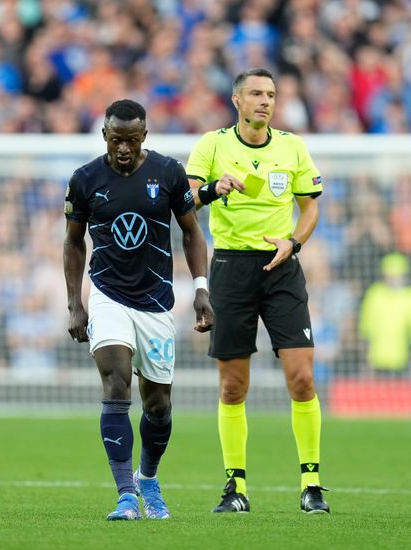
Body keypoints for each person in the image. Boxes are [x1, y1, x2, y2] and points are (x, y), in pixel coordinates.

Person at [186, 68, 330, 514]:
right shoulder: (213, 144)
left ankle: (311, 484)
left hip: (282, 267)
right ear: (236, 100)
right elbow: (186, 200)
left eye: (270, 94)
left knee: (302, 378)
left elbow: (310, 207)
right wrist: (213, 188)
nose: (264, 101)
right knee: (233, 386)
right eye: (255, 94)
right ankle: (236, 488)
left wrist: (295, 242)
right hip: (230, 268)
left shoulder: (292, 146)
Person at [63, 99, 213, 521]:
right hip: (108, 295)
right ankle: (125, 494)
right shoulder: (85, 179)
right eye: (116, 140)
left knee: (158, 405)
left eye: (131, 140)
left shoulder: (168, 172)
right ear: (104, 136)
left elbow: (191, 233)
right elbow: (73, 242)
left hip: (156, 302)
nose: (123, 148)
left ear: (144, 136)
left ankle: (148, 478)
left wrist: (201, 289)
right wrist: (76, 302)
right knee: (116, 384)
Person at [359, 252, 411, 374]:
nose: (394, 280)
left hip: (402, 358)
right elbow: (366, 326)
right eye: (390, 276)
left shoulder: (408, 296)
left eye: (397, 276)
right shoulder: (375, 293)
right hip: (376, 358)